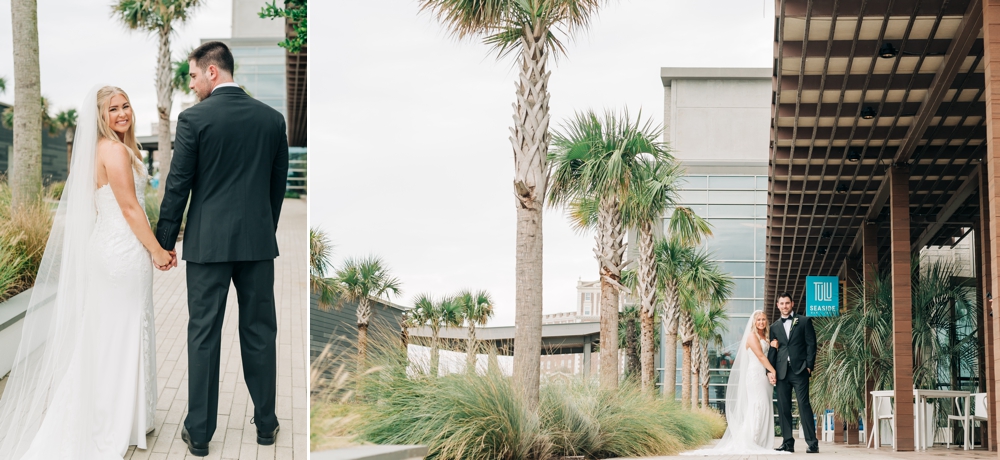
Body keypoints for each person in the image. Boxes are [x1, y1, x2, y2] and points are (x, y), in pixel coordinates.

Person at [0, 85, 171, 459]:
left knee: (110, 330)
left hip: (108, 249)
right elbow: (128, 208)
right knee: (121, 330)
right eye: (113, 109)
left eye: (126, 105)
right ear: (99, 117)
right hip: (121, 252)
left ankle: (117, 410)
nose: (123, 113)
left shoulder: (105, 150)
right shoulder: (113, 150)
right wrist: (157, 250)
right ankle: (113, 416)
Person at [155, 40, 289, 457]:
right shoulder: (272, 120)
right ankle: (266, 426)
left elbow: (178, 185)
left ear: (213, 71)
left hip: (207, 246)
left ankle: (199, 434)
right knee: (260, 333)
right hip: (256, 245)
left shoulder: (194, 119)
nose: (192, 84)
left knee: (203, 335)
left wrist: (163, 243)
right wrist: (262, 230)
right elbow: (277, 187)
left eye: (193, 75)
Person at [682, 310, 787, 455]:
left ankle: (761, 442)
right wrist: (773, 371)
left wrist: (773, 351)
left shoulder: (765, 336)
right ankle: (752, 440)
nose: (761, 322)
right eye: (758, 320)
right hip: (755, 375)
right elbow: (761, 357)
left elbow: (769, 355)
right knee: (757, 405)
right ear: (753, 322)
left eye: (764, 319)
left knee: (765, 405)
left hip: (764, 376)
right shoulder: (751, 336)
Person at [768, 291, 819, 454]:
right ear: (778, 306)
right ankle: (787, 442)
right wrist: (769, 371)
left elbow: (811, 344)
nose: (784, 306)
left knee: (804, 405)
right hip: (781, 371)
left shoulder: (804, 321)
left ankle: (812, 443)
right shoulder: (774, 327)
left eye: (787, 303)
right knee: (783, 408)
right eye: (781, 304)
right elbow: (773, 350)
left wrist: (809, 365)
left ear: (792, 304)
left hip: (800, 370)